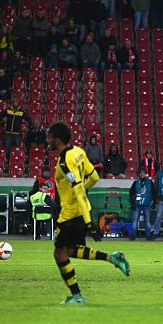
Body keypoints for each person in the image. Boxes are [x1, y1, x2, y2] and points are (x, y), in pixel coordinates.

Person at [46, 122, 130, 304]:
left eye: (50, 137)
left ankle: (77, 296)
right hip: (79, 211)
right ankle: (112, 257)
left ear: (58, 140)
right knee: (70, 251)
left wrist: (89, 223)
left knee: (60, 254)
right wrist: (84, 190)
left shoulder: (65, 161)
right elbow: (94, 177)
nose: (48, 141)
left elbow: (76, 190)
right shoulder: (79, 152)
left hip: (70, 214)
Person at [129, 167, 157, 240]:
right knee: (135, 220)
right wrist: (132, 203)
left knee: (147, 221)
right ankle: (133, 236)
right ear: (139, 174)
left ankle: (148, 236)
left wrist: (154, 202)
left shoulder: (150, 182)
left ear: (146, 174)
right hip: (137, 204)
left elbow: (154, 193)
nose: (142, 174)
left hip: (147, 204)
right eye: (141, 173)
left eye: (143, 173)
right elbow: (131, 193)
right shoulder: (135, 182)